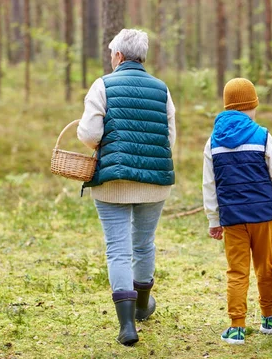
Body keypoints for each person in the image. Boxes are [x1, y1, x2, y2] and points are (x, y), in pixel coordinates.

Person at [77, 29, 176, 346]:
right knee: (144, 244)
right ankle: (144, 306)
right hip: (154, 182)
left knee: (118, 249)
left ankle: (126, 326)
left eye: (111, 53)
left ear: (118, 55)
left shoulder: (102, 85)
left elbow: (90, 134)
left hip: (112, 183)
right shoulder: (162, 89)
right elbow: (169, 137)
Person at [202, 78, 272, 345]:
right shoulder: (263, 136)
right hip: (263, 216)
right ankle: (268, 316)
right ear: (251, 107)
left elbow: (209, 185)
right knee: (266, 267)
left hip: (232, 219)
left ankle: (236, 326)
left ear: (227, 107)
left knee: (237, 271)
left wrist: (213, 219)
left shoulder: (213, 142)